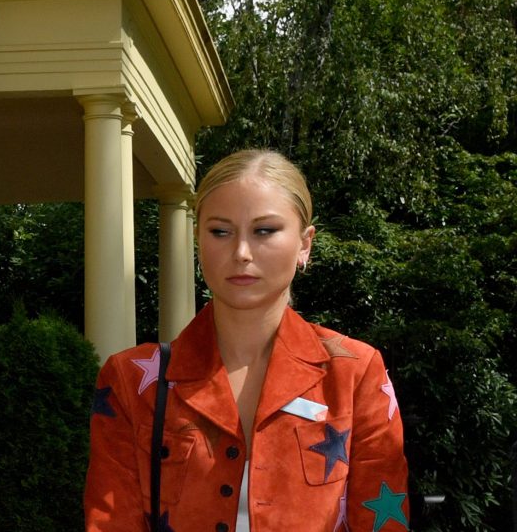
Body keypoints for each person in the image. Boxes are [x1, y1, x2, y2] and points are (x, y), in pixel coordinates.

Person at [85, 150, 408, 531]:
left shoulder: (354, 375)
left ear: (305, 244)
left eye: (264, 231)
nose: (240, 253)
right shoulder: (131, 382)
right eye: (220, 232)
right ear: (198, 239)